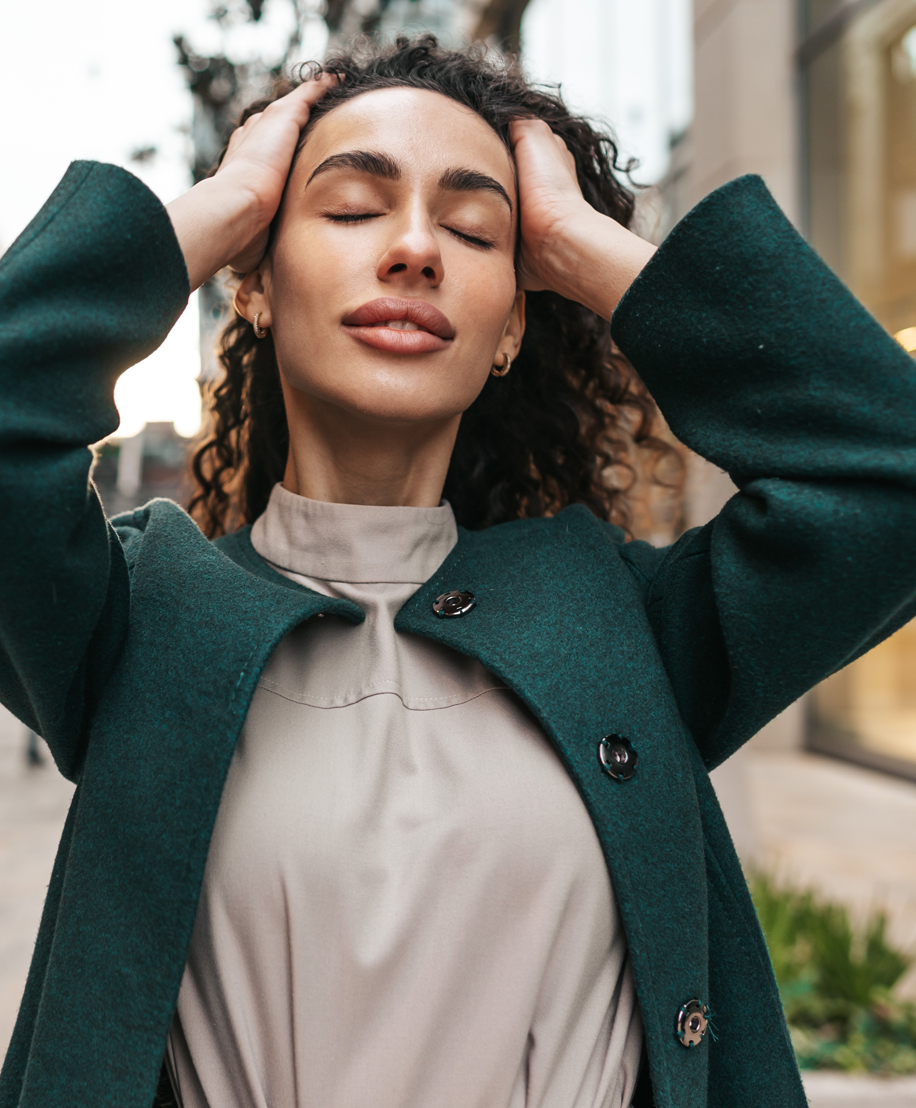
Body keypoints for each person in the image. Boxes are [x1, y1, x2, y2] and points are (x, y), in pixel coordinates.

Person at [1, 33, 914, 1108]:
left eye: (477, 228)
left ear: (511, 326)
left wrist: (581, 242)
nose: (416, 248)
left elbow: (884, 480)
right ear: (252, 285)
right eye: (349, 209)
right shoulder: (134, 621)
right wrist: (220, 203)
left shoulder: (624, 624)